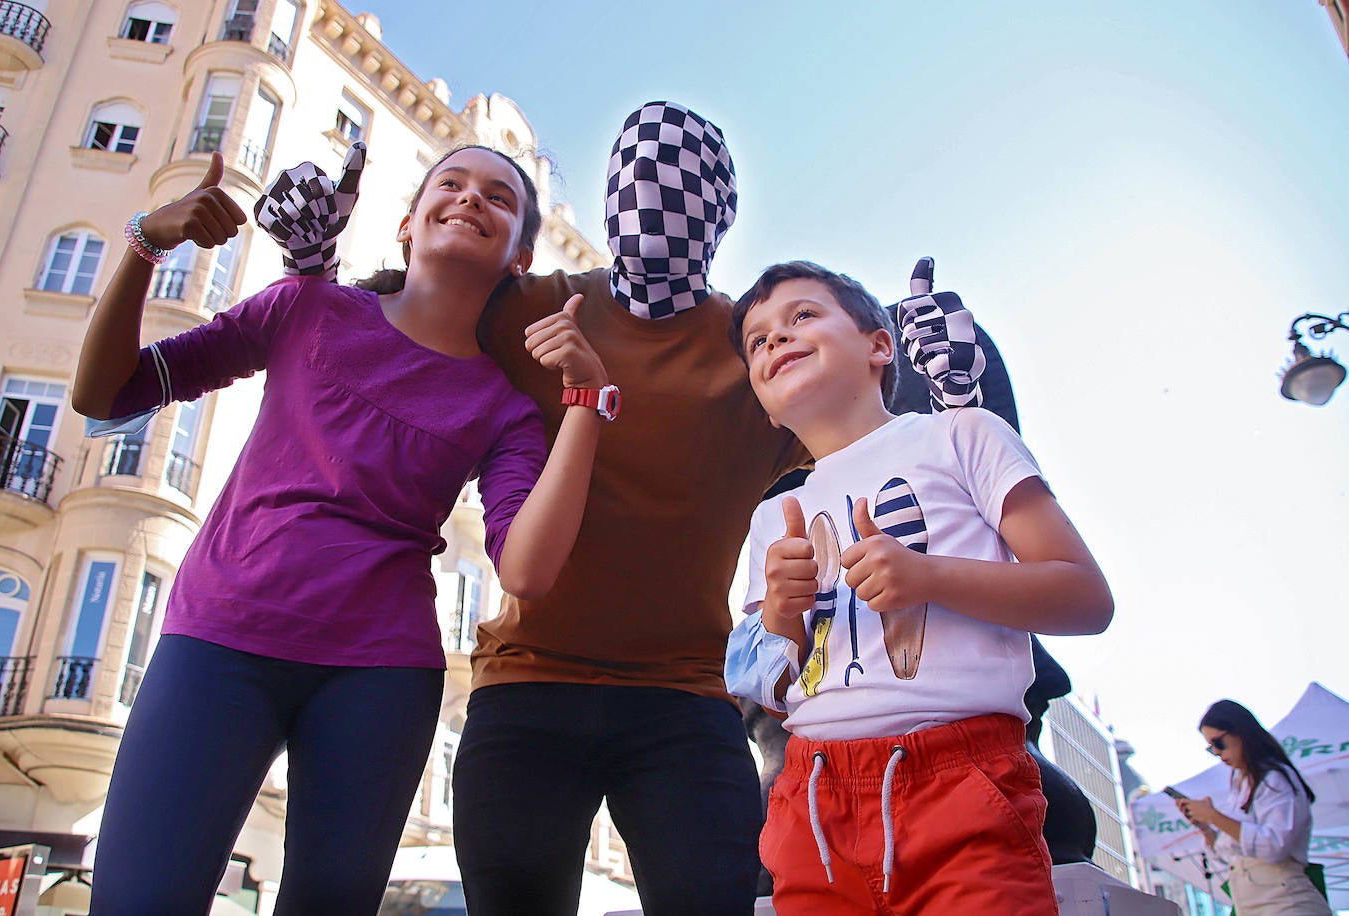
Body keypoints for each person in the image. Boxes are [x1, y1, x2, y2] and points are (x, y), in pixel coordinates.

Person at [255, 101, 991, 915]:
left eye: (685, 187)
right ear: (609, 197)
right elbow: (407, 322)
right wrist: (313, 265)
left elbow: (878, 436)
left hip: (687, 698)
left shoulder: (754, 349)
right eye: (635, 179)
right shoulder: (534, 306)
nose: (656, 203)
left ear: (722, 216)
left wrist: (945, 383)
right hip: (529, 682)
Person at [73, 144, 612, 915]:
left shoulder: (505, 410)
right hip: (220, 639)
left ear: (520, 256)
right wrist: (146, 243)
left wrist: (587, 402)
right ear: (406, 225)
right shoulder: (304, 306)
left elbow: (525, 571)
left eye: (497, 197)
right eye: (450, 184)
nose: (469, 199)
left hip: (380, 677)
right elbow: (103, 394)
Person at [725, 260, 1113, 913]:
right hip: (813, 803)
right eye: (757, 341)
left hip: (966, 778)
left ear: (882, 345)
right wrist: (782, 617)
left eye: (802, 316)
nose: (776, 341)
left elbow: (1085, 596)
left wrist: (929, 576)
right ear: (760, 400)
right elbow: (761, 688)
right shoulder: (772, 517)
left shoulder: (964, 435)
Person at [1176, 700, 1331, 915]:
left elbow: (1275, 846)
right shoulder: (1242, 784)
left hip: (1287, 904)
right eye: (1211, 748)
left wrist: (1214, 816)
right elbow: (1233, 851)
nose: (1217, 752)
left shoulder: (1275, 779)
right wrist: (1206, 827)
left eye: (1218, 743)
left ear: (1241, 733)